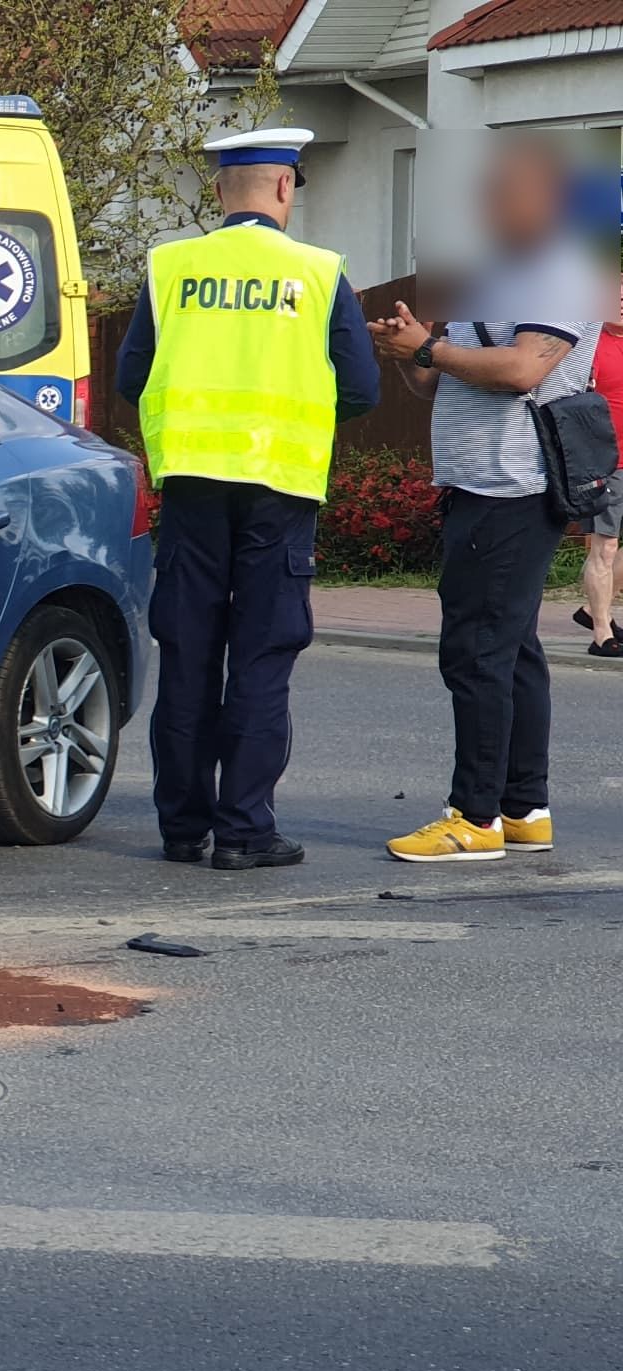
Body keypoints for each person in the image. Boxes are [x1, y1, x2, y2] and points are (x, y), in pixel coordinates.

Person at [115, 127, 381, 871]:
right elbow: (361, 389)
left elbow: (131, 377)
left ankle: (181, 828)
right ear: (284, 188)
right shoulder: (320, 273)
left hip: (193, 486)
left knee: (190, 656)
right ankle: (243, 833)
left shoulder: (171, 268)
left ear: (220, 193)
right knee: (262, 658)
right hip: (281, 488)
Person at [369, 138, 601, 861]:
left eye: (508, 191)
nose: (492, 204)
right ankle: (524, 806)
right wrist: (413, 354)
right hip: (474, 481)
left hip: (514, 485)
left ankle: (474, 818)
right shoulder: (500, 272)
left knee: (476, 653)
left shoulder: (563, 270)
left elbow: (524, 367)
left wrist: (430, 351)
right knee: (513, 650)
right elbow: (445, 378)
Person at [580, 287, 623, 660]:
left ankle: (594, 608)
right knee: (605, 547)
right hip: (609, 461)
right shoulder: (591, 343)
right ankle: (601, 633)